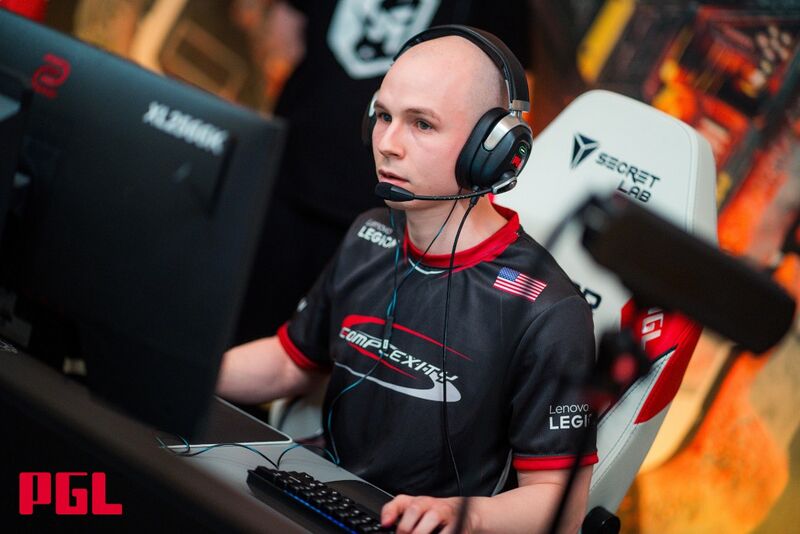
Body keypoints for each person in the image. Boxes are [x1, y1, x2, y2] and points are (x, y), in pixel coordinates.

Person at [217, 26, 596, 533]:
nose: (388, 144)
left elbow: (562, 507)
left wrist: (464, 515)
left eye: (422, 124)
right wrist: (188, 370)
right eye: (383, 116)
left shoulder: (548, 311)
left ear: (491, 150)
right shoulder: (369, 233)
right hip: (312, 497)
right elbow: (291, 361)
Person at [233, 0, 532, 344]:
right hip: (286, 182)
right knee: (251, 333)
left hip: (387, 223)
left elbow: (503, 104)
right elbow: (281, 35)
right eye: (384, 115)